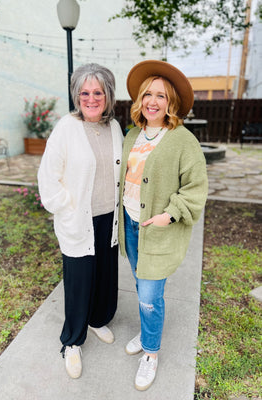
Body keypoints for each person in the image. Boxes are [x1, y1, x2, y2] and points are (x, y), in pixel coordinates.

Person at [118, 60, 208, 391]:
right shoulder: (132, 135)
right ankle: (146, 333)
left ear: (170, 103)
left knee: (150, 297)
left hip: (158, 228)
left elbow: (196, 188)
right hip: (130, 224)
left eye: (161, 96)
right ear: (140, 99)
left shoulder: (182, 140)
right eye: (148, 94)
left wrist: (169, 214)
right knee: (141, 287)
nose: (153, 102)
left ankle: (151, 354)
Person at [38, 63, 123, 379]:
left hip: (108, 219)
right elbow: (48, 177)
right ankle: (72, 342)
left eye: (98, 92)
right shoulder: (66, 127)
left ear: (108, 95)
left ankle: (97, 318)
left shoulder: (114, 127)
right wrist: (67, 209)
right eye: (85, 92)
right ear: (77, 95)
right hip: (79, 221)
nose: (91, 98)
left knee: (104, 274)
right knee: (78, 281)